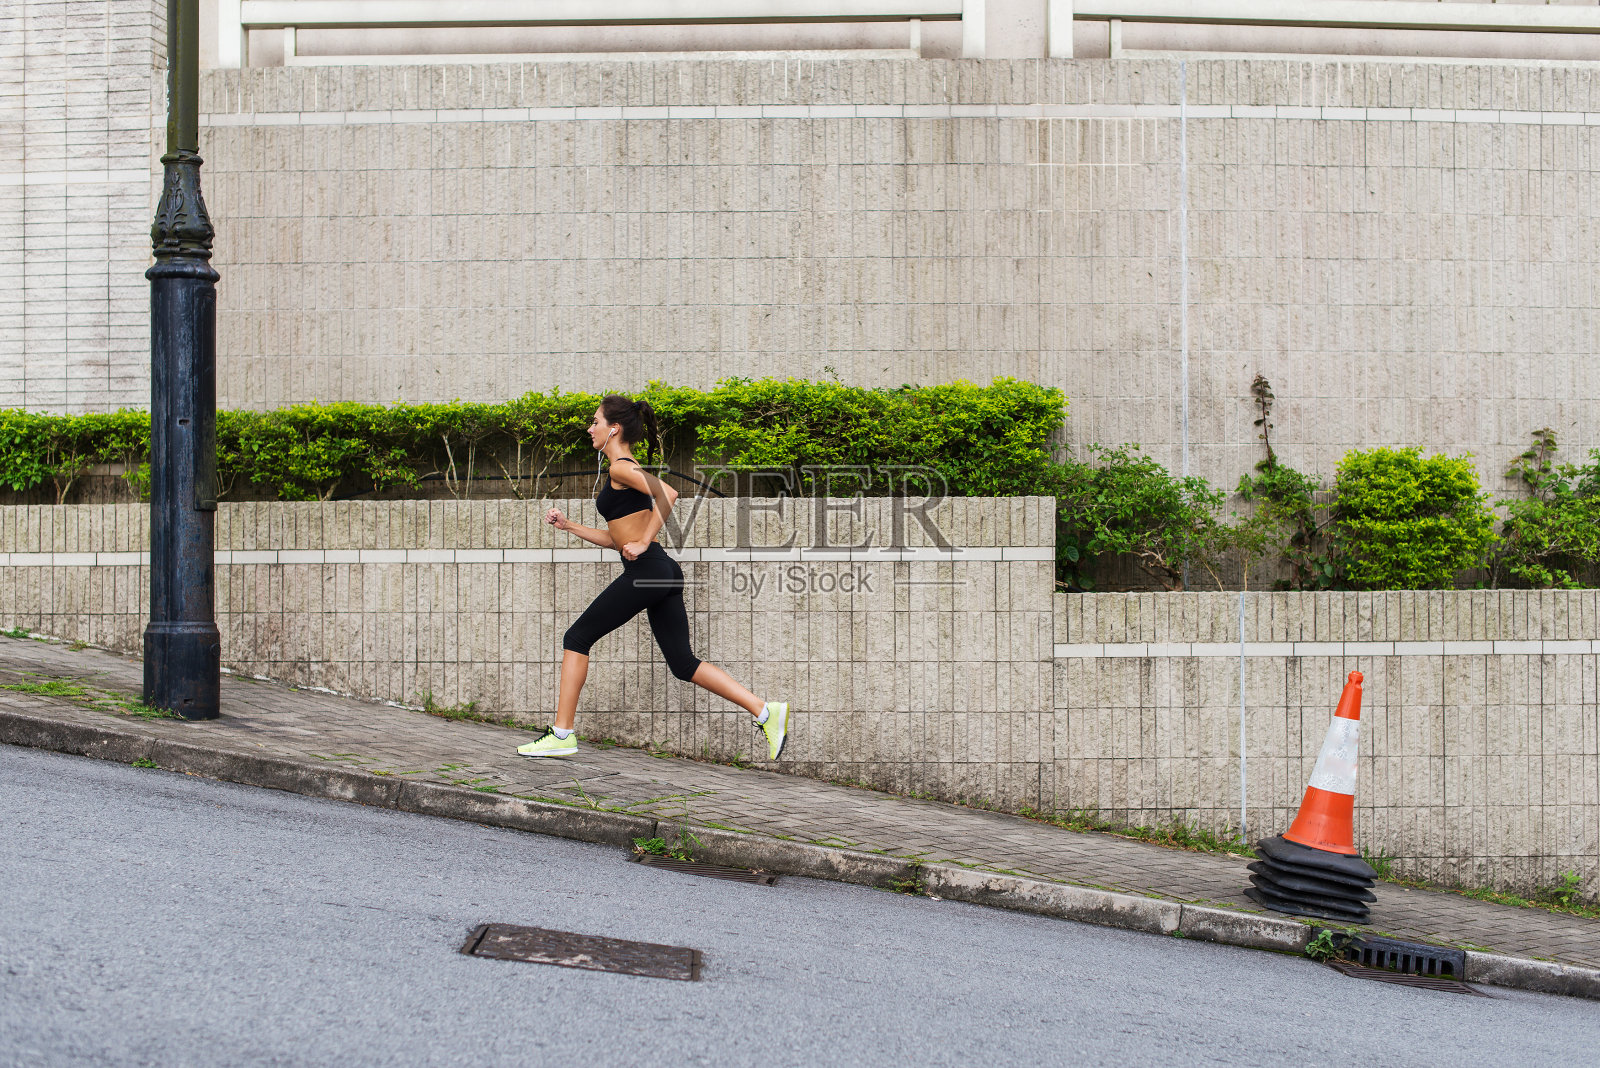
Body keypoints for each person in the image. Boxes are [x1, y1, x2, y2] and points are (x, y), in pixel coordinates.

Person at [517, 394, 791, 760]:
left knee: (577, 637)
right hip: (661, 571)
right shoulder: (623, 469)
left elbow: (669, 493)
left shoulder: (620, 468)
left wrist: (644, 541)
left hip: (649, 571)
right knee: (683, 664)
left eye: (596, 422)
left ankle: (562, 734)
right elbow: (618, 540)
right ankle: (765, 711)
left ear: (614, 429)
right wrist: (569, 526)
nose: (590, 428)